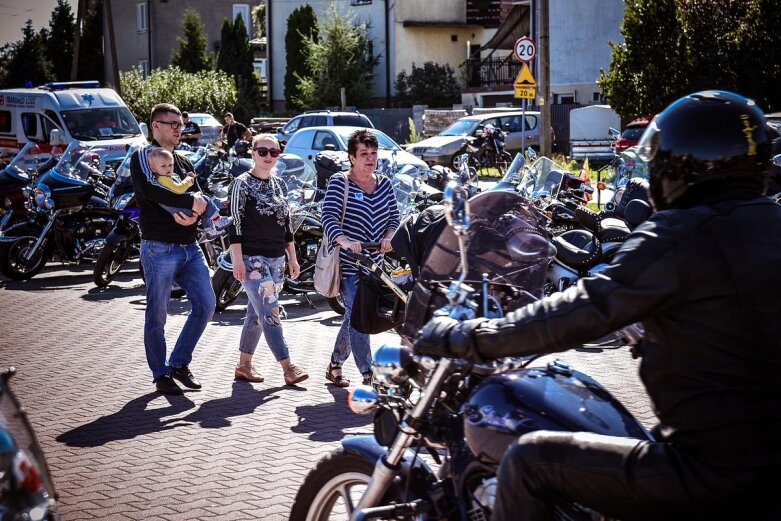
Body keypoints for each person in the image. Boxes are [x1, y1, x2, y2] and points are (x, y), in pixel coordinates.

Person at [414, 90, 781, 520]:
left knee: (528, 459)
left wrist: (472, 336)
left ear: (681, 162)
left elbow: (582, 309)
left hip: (708, 473)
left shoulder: (678, 237)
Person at [130, 103, 216, 396]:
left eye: (182, 124)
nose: (180, 129)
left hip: (190, 247)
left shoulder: (183, 162)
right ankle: (160, 373)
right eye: (174, 124)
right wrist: (190, 204)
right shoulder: (144, 156)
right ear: (156, 126)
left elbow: (199, 196)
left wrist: (194, 211)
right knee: (157, 314)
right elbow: (149, 191)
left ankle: (179, 362)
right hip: (159, 248)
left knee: (206, 305)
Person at [227, 134, 309, 385]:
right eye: (263, 151)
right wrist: (238, 261)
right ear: (253, 153)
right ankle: (288, 367)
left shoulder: (280, 185)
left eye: (274, 152)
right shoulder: (241, 184)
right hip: (252, 260)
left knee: (256, 314)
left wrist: (292, 258)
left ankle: (243, 366)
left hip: (277, 260)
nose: (268, 157)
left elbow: (286, 226)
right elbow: (235, 225)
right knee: (271, 312)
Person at [321, 129, 400, 387]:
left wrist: (389, 237)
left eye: (373, 153)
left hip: (377, 265)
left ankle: (334, 364)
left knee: (352, 317)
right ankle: (369, 373)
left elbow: (394, 219)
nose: (370, 158)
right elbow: (329, 218)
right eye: (364, 153)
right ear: (352, 158)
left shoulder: (385, 184)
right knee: (359, 314)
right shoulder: (340, 182)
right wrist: (345, 241)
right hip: (349, 264)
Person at [146, 147, 231, 237]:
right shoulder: (163, 179)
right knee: (205, 200)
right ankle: (218, 221)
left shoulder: (166, 177)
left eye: (170, 165)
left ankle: (210, 230)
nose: (168, 168)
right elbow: (178, 189)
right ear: (153, 168)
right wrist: (188, 180)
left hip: (179, 209)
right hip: (180, 210)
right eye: (163, 166)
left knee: (203, 206)